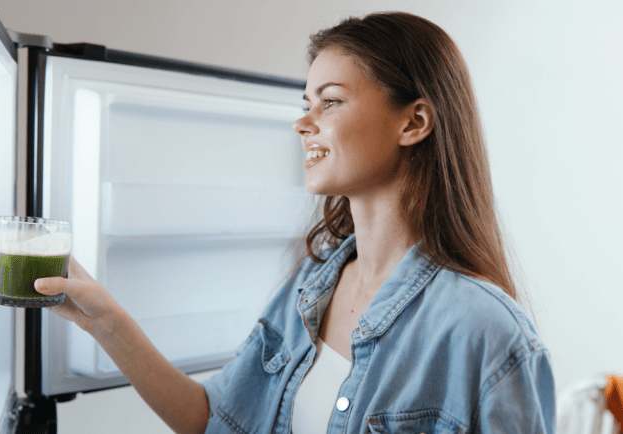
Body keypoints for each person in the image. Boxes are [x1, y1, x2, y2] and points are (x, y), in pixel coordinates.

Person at [34, 11, 556, 434]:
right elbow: (213, 420)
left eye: (331, 101)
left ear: (414, 122)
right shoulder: (310, 285)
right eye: (306, 104)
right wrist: (105, 321)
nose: (302, 123)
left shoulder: (488, 332)